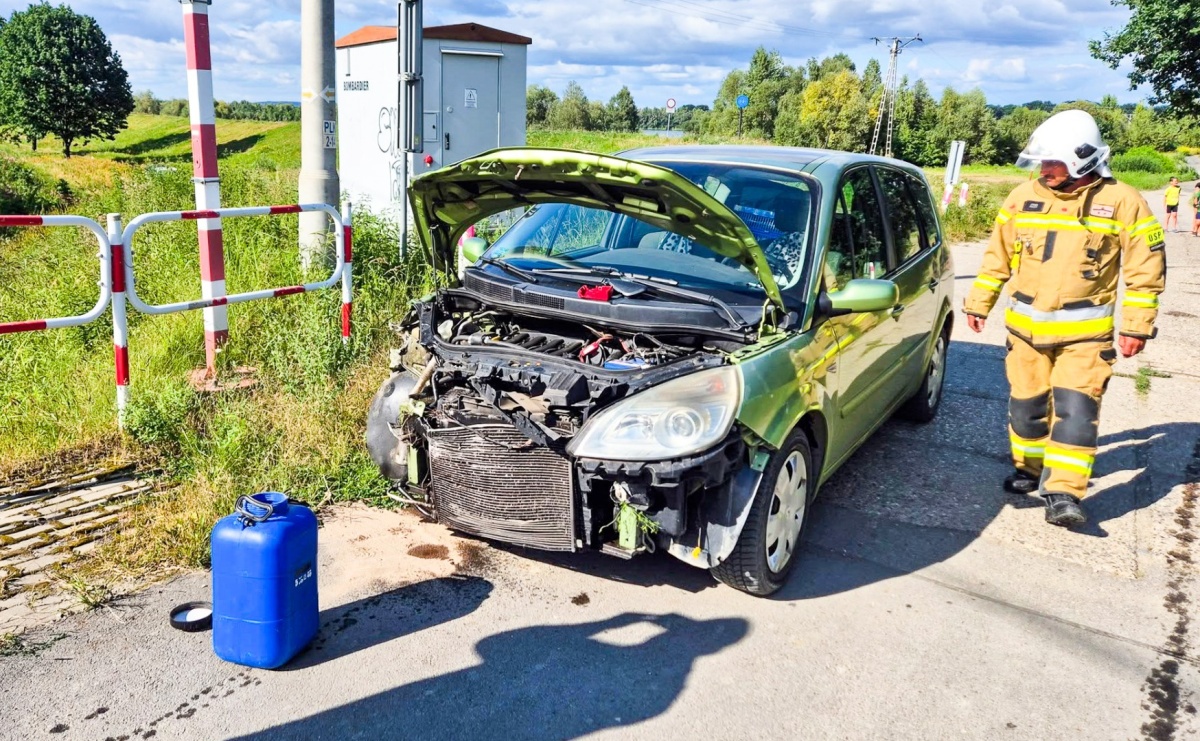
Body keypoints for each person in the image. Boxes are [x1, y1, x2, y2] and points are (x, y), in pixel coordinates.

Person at [964, 109, 1167, 527]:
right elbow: (996, 255)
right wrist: (978, 303)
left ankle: (1063, 493)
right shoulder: (1022, 197)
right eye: (1042, 161)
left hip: (1085, 338)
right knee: (1027, 409)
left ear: (1084, 159)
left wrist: (1136, 327)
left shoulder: (1124, 202)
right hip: (1024, 335)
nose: (1045, 169)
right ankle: (1029, 469)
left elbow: (1146, 269)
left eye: (1053, 161)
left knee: (1076, 411)